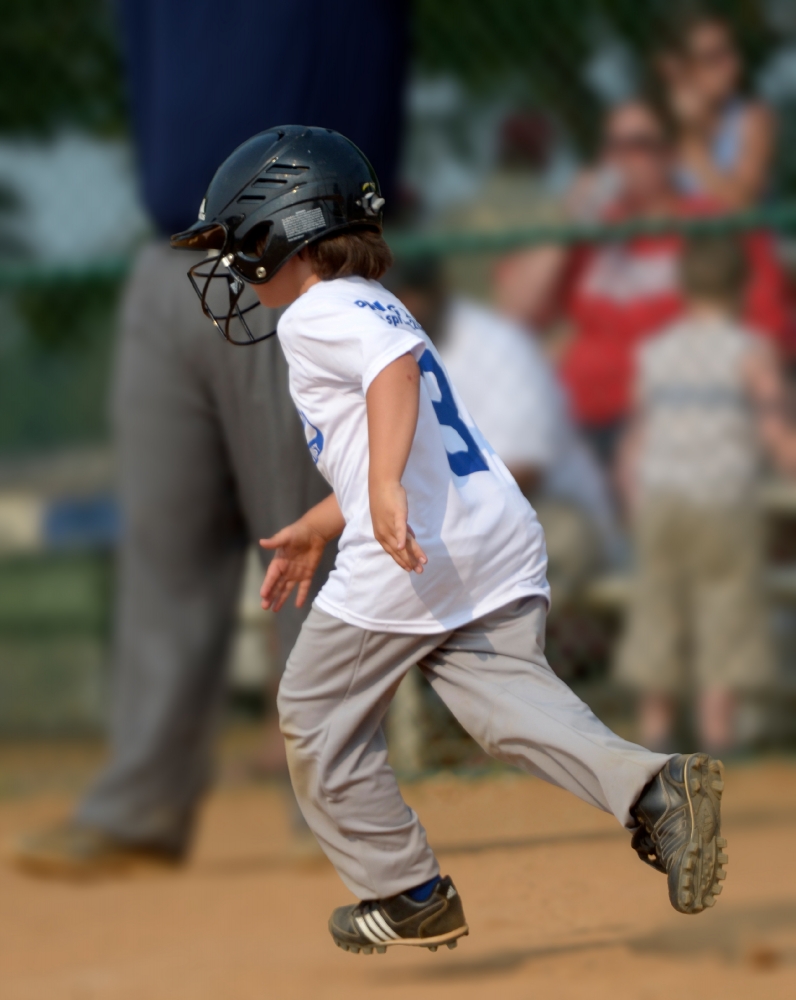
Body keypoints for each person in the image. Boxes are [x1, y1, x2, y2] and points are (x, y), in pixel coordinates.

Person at [172, 125, 728, 951]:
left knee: (315, 713)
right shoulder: (374, 299)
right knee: (506, 708)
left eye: (236, 241)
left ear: (282, 228)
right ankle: (655, 792)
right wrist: (328, 521)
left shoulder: (314, 315)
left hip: (415, 551)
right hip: (492, 531)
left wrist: (386, 492)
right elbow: (401, 424)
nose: (232, 265)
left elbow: (392, 377)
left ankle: (407, 890)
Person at [12, 0, 408, 877]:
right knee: (163, 543)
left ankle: (339, 808)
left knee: (309, 542)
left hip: (301, 251)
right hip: (167, 258)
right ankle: (142, 802)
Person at [495, 99, 786, 468]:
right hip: (578, 420)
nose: (621, 159)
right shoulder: (586, 231)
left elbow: (766, 331)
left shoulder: (714, 224)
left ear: (671, 155)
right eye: (612, 146)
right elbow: (513, 309)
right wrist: (566, 224)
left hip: (678, 421)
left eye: (638, 146)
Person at [617, 234, 796, 754]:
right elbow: (774, 431)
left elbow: (636, 439)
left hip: (663, 497)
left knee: (658, 608)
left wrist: (631, 496)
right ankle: (718, 735)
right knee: (726, 609)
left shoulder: (656, 352)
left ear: (684, 288)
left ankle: (656, 729)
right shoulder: (751, 352)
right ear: (742, 288)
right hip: (724, 499)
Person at [382, 258, 624, 604]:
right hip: (447, 520)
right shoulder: (392, 352)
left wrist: (448, 526)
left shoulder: (499, 344)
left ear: (433, 294)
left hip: (546, 509)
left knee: (552, 544)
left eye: (405, 296)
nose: (398, 309)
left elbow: (525, 472)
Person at [655, 9, 775, 209]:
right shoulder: (659, 127)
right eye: (712, 58)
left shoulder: (751, 118)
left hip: (753, 238)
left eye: (731, 51)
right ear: (675, 67)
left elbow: (742, 205)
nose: (733, 65)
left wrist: (692, 139)